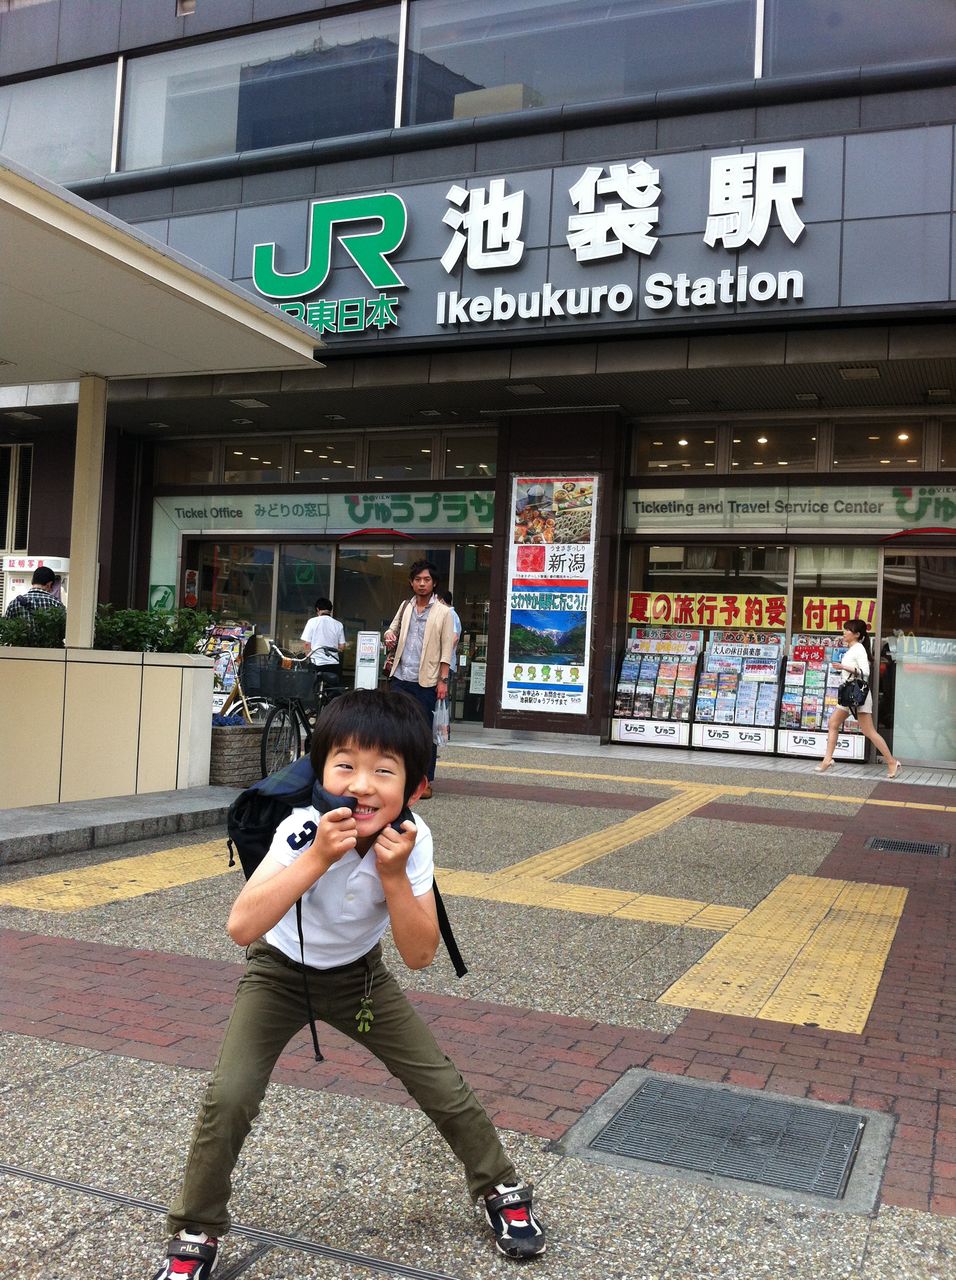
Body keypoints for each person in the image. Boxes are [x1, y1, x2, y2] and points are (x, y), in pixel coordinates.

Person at [151, 689, 545, 1278]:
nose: (362, 784)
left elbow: (418, 954)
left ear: (415, 787)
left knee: (439, 1082)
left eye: (384, 771)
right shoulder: (302, 827)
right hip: (277, 974)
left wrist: (390, 872)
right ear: (321, 770)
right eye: (346, 766)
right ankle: (195, 1231)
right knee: (230, 1095)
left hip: (361, 978)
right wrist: (316, 859)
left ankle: (501, 1188)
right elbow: (242, 926)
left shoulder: (412, 843)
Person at [383, 560, 455, 799]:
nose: (422, 584)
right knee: (396, 730)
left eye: (426, 580)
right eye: (417, 580)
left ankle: (425, 780)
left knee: (424, 732)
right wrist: (390, 635)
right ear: (411, 582)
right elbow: (391, 629)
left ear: (434, 583)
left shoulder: (444, 612)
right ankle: (397, 778)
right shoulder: (405, 606)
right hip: (401, 677)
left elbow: (447, 647)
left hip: (427, 680)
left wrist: (443, 680)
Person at [815, 618, 902, 778]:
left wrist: (843, 667)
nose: (844, 633)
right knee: (833, 723)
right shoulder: (852, 649)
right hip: (849, 695)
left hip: (858, 696)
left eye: (847, 630)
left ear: (856, 634)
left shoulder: (859, 649)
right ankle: (827, 759)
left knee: (869, 731)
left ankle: (891, 761)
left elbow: (865, 672)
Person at [300, 596, 345, 681]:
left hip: (316, 663)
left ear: (317, 609)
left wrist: (308, 657)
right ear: (330, 610)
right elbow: (342, 646)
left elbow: (307, 644)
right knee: (332, 690)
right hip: (333, 664)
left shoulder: (312, 622)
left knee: (312, 689)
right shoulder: (338, 624)